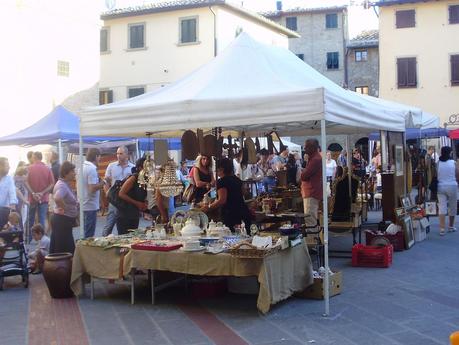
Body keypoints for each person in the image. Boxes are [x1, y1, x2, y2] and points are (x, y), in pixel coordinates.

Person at [201, 158, 252, 232]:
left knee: (231, 237)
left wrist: (209, 207)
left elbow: (222, 200)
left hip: (230, 214)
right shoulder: (237, 179)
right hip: (242, 211)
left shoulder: (222, 182)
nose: (216, 172)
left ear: (221, 169)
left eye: (217, 170)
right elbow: (244, 193)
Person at [102, 146, 135, 236]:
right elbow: (106, 182)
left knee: (125, 227)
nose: (118, 156)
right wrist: (108, 194)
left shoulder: (132, 168)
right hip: (114, 201)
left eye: (121, 153)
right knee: (109, 225)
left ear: (127, 155)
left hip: (126, 201)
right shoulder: (111, 166)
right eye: (117, 153)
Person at [50, 161, 78, 254]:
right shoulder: (62, 185)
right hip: (62, 221)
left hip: (63, 221)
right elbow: (58, 198)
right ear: (66, 173)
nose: (74, 173)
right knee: (64, 250)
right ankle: (62, 268)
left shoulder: (64, 184)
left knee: (63, 248)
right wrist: (66, 209)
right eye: (72, 171)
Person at [117, 158, 149, 234]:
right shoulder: (133, 178)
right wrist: (137, 203)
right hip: (124, 215)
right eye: (147, 166)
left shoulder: (145, 179)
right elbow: (121, 194)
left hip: (134, 214)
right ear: (141, 167)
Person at [26, 152, 54, 231]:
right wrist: (42, 193)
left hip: (32, 198)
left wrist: (33, 193)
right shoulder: (47, 169)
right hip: (43, 198)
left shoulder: (29, 168)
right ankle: (42, 240)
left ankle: (29, 239)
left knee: (31, 219)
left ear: (34, 157)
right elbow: (52, 183)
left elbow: (25, 182)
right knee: (42, 218)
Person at [82, 148, 104, 238]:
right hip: (90, 204)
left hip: (84, 203)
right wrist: (103, 183)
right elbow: (92, 188)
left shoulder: (82, 166)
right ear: (96, 156)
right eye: (99, 157)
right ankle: (86, 251)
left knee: (86, 232)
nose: (100, 159)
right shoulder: (91, 168)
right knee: (89, 235)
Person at [436, 146, 458, 236]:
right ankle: (451, 226)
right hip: (452, 186)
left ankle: (442, 229)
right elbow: (457, 174)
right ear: (449, 153)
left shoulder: (438, 163)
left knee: (442, 207)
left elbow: (435, 174)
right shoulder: (453, 162)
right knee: (452, 207)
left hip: (441, 186)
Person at [301, 139, 322, 227]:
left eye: (306, 147)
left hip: (311, 192)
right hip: (311, 192)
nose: (304, 149)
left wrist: (305, 164)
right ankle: (313, 239)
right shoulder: (314, 158)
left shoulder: (315, 160)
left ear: (312, 148)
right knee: (311, 219)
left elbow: (304, 176)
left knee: (310, 220)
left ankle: (312, 240)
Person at [0, 157, 18, 229]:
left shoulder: (9, 179)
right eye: (7, 165)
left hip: (4, 211)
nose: (9, 167)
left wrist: (13, 210)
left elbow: (12, 194)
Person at [14, 162, 29, 228]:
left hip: (17, 204)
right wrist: (25, 201)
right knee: (22, 219)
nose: (28, 176)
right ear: (23, 175)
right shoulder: (21, 182)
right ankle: (21, 234)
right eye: (27, 174)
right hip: (21, 204)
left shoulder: (15, 180)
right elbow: (19, 193)